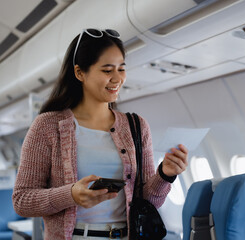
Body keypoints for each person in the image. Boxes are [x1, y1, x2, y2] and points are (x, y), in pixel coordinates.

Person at [12, 29, 188, 240]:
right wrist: (71, 195)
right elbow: (22, 200)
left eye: (121, 69)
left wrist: (165, 174)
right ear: (80, 73)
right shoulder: (48, 126)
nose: (117, 78)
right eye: (107, 70)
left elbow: (148, 202)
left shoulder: (137, 126)